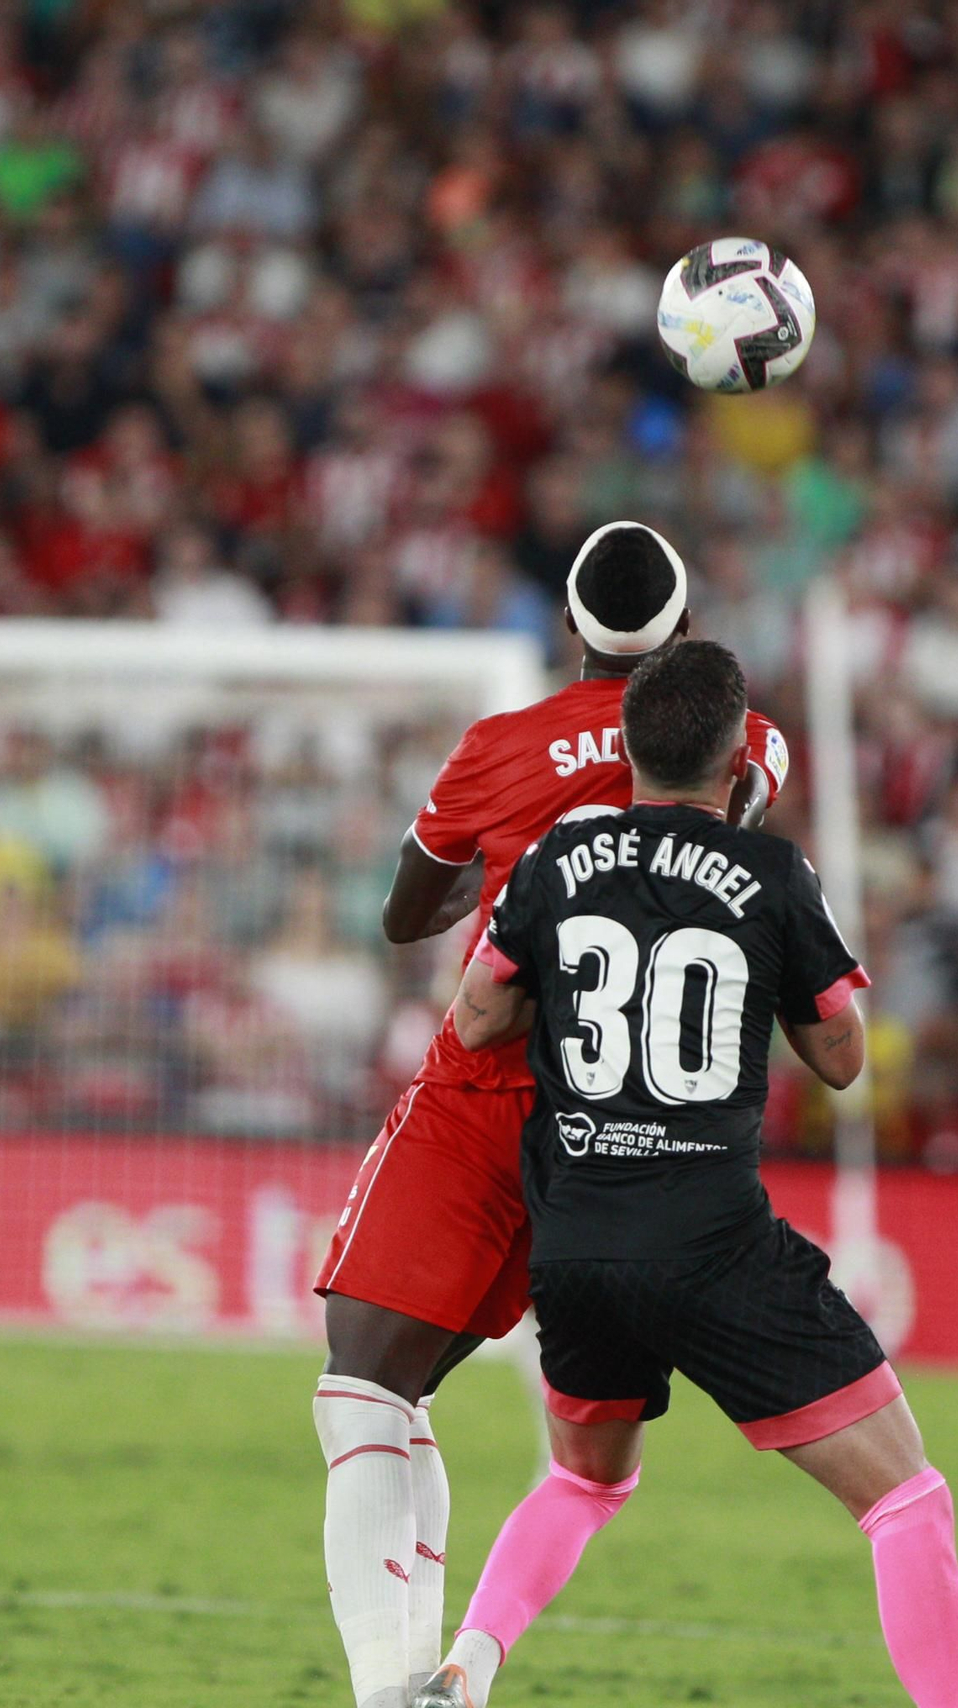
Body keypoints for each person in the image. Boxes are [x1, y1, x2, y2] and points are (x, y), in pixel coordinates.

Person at [420, 641, 958, 1708]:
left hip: (578, 1243)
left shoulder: (555, 857)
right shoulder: (772, 874)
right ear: (739, 758)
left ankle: (462, 1671)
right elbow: (841, 1058)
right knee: (907, 1500)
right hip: (712, 1241)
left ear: (627, 750)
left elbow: (478, 1017)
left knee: (584, 1479)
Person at [310, 524, 789, 1708]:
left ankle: (387, 1691)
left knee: (364, 1384)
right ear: (685, 632)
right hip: (625, 1115)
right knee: (409, 1391)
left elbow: (405, 915)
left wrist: (511, 858)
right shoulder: (754, 745)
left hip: (494, 1077)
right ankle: (422, 1687)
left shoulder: (496, 747)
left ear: (570, 628)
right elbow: (717, 853)